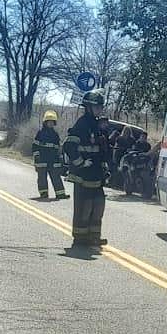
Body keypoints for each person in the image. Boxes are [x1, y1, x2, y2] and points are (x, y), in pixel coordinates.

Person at [63, 89, 109, 248]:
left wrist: (104, 166)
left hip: (96, 173)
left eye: (100, 107)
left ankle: (94, 236)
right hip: (83, 174)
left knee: (98, 205)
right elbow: (69, 146)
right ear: (88, 107)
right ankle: (80, 238)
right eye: (97, 107)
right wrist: (81, 163)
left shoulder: (96, 125)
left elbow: (100, 149)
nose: (100, 110)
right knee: (85, 206)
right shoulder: (82, 124)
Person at [32, 110, 69, 200]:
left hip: (53, 160)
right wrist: (37, 156)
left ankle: (60, 194)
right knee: (42, 178)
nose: (51, 124)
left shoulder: (55, 134)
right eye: (49, 122)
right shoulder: (40, 133)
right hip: (42, 160)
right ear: (45, 122)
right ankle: (43, 193)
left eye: (52, 122)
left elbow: (58, 148)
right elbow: (35, 146)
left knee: (56, 177)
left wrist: (60, 158)